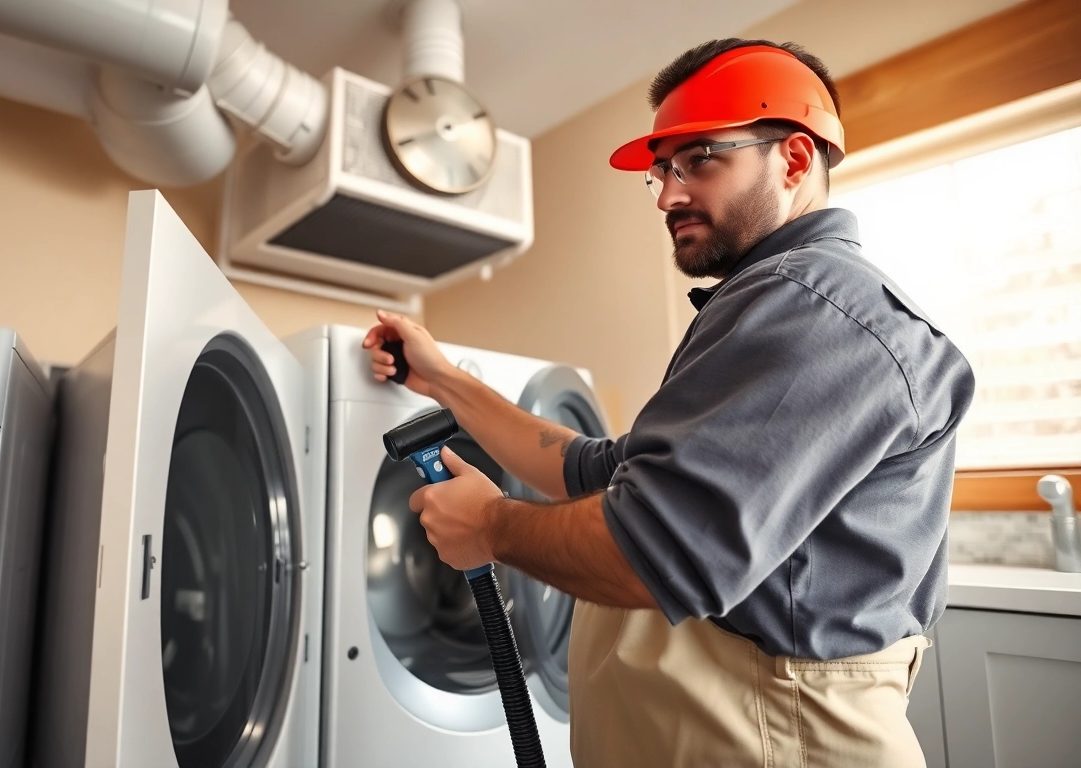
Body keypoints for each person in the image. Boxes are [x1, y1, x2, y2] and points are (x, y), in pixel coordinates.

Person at [362, 39, 975, 767]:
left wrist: (489, 527)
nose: (667, 194)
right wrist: (443, 382)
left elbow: (657, 549)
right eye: (661, 170)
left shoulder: (814, 309)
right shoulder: (763, 305)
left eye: (700, 159)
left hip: (780, 739)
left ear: (796, 160)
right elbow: (597, 470)